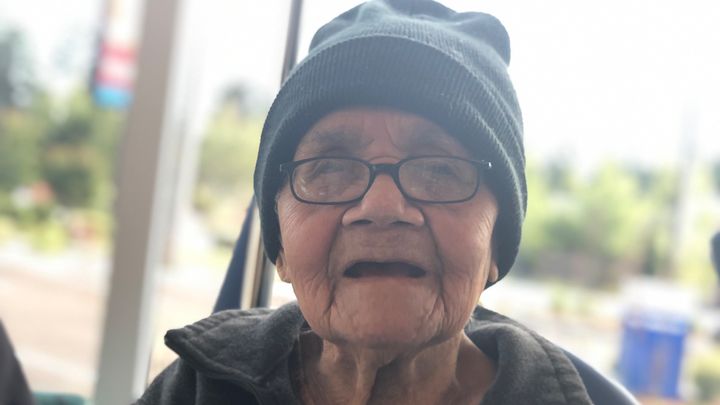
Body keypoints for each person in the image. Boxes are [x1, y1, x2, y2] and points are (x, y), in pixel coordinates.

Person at [138, 0, 598, 403]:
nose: (382, 207)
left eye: (439, 171)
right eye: (329, 169)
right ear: (280, 251)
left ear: (497, 243)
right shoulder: (194, 390)